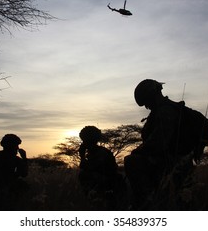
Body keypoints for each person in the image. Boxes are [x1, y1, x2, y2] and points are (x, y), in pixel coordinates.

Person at [124, 79, 196, 209]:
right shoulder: (159, 111)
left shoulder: (166, 111)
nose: (146, 106)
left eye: (146, 101)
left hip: (173, 162)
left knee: (132, 161)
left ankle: (146, 204)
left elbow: (159, 143)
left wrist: (138, 151)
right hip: (168, 161)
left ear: (151, 96)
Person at [78, 126, 124, 209]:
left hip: (110, 183)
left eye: (85, 140)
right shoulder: (93, 151)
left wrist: (82, 156)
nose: (83, 143)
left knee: (84, 175)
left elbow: (89, 168)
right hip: (105, 182)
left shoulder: (101, 152)